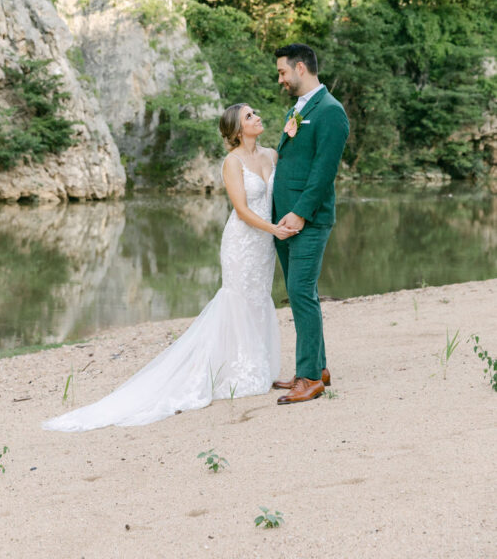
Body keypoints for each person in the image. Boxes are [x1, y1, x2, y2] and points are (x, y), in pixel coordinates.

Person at [43, 102, 296, 431]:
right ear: (237, 130)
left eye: (255, 113)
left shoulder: (272, 155)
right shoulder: (231, 163)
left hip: (263, 246)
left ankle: (255, 365)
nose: (258, 116)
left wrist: (292, 137)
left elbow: (290, 177)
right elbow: (243, 210)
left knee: (258, 298)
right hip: (243, 241)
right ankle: (235, 370)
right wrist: (274, 228)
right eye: (249, 116)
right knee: (236, 300)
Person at [271, 43, 350, 404]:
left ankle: (309, 379)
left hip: (308, 219)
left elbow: (323, 172)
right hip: (285, 219)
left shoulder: (331, 112)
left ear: (300, 68)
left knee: (301, 293)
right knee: (303, 294)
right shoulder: (299, 108)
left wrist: (301, 212)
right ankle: (317, 367)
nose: (280, 79)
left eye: (282, 72)